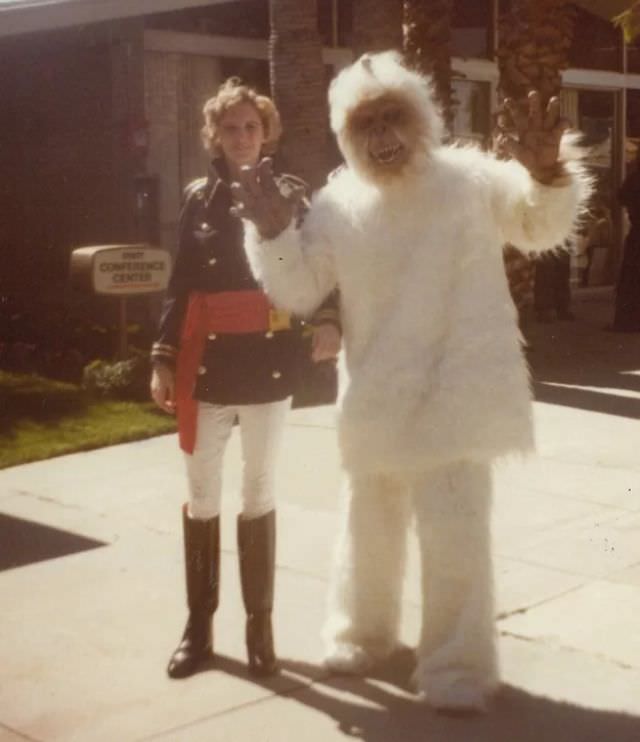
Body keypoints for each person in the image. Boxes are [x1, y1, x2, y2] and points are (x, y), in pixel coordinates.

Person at [232, 52, 589, 712]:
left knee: (455, 537)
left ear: (423, 117)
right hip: (375, 395)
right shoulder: (340, 203)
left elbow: (540, 227)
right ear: (346, 133)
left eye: (394, 116)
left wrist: (547, 172)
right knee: (367, 529)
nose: (382, 136)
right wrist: (272, 230)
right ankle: (362, 635)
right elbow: (301, 286)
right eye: (365, 123)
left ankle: (458, 667)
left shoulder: (471, 179)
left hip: (457, 394)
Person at [150, 77, 341, 680]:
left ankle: (260, 630)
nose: (240, 137)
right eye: (230, 128)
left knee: (258, 494)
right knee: (202, 496)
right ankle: (198, 629)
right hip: (206, 365)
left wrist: (330, 320)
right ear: (215, 134)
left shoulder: (291, 194)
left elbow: (320, 269)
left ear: (267, 133)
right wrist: (161, 356)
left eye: (251, 127)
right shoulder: (196, 199)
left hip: (267, 363)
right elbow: (182, 284)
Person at [613, 151, 640, 331]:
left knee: (631, 278)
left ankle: (627, 321)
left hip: (637, 233)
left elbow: (621, 197)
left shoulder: (634, 178)